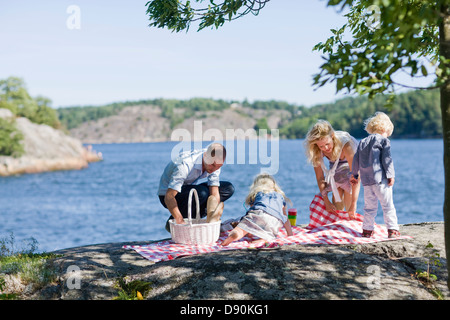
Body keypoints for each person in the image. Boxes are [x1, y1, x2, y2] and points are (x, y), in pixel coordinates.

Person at [158, 143, 235, 231]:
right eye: (212, 165)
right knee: (202, 193)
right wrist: (179, 220)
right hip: (167, 195)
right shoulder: (185, 165)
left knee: (228, 188)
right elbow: (169, 197)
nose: (214, 169)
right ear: (205, 155)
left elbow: (214, 191)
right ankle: (173, 221)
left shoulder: (215, 163)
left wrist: (213, 215)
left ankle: (200, 219)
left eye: (218, 167)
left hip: (189, 190)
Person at [350, 112, 400, 238]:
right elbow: (387, 159)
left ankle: (367, 230)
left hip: (367, 182)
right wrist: (390, 175)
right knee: (387, 205)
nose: (387, 135)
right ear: (385, 129)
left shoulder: (363, 142)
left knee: (369, 207)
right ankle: (392, 230)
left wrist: (354, 174)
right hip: (380, 180)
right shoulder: (384, 141)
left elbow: (356, 159)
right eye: (388, 133)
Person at [304, 120, 360, 218]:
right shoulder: (316, 150)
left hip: (352, 160)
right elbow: (320, 177)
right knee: (337, 190)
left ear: (332, 136)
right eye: (321, 146)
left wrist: (353, 204)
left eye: (327, 144)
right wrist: (326, 201)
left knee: (348, 190)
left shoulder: (346, 145)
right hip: (336, 163)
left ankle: (351, 218)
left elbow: (356, 176)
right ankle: (339, 220)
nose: (325, 148)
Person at [221, 173, 293, 246]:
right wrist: (290, 234)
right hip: (275, 220)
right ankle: (264, 239)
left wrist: (247, 228)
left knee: (243, 228)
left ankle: (236, 234)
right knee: (269, 234)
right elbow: (285, 218)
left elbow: (252, 215)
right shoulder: (280, 197)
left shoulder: (258, 193)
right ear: (274, 185)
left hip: (259, 213)